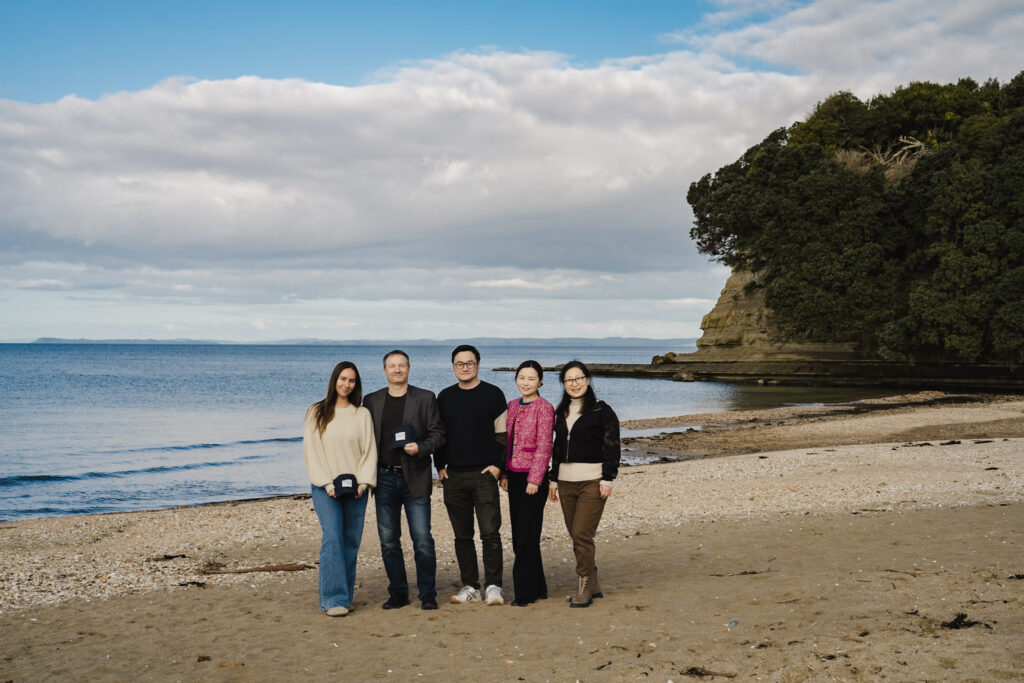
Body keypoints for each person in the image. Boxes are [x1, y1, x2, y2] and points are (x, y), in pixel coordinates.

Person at [363, 350, 446, 611]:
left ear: (409, 368)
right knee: (389, 540)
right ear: (384, 370)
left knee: (422, 539)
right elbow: (362, 437)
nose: (397, 369)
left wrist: (420, 448)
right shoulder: (371, 400)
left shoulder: (425, 398)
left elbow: (438, 435)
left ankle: (428, 593)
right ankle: (398, 592)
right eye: (392, 366)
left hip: (415, 476)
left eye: (401, 365)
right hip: (383, 477)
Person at [302, 361, 377, 617]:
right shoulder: (317, 411)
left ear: (357, 384)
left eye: (352, 380)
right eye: (343, 379)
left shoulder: (362, 414)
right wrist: (326, 483)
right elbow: (312, 450)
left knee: (351, 541)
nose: (346, 384)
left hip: (356, 489)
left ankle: (344, 597)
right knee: (332, 538)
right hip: (326, 488)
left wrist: (364, 483)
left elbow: (369, 451)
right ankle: (333, 599)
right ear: (334, 380)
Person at [435, 344, 508, 605]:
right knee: (462, 536)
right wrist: (439, 466)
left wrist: (498, 466)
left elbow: (502, 435)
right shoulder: (444, 397)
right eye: (459, 363)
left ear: (478, 364)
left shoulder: (493, 394)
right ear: (453, 367)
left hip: (483, 474)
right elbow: (438, 434)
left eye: (469, 363)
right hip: (453, 476)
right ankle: (471, 587)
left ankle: (494, 586)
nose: (464, 368)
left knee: (490, 533)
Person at [549, 360, 620, 608]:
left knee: (582, 533)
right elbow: (557, 448)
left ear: (587, 380)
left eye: (579, 378)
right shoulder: (560, 412)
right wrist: (553, 480)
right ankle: (594, 583)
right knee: (576, 535)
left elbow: (612, 446)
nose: (574, 383)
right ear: (563, 384)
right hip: (565, 483)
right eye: (569, 380)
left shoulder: (602, 411)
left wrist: (608, 478)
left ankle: (584, 585)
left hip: (592, 481)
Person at [499, 360, 554, 607]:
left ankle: (524, 592)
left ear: (540, 381)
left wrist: (535, 478)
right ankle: (539, 587)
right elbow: (506, 443)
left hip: (534, 479)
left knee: (525, 536)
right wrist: (504, 474)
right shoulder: (511, 405)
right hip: (513, 476)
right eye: (522, 377)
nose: (526, 383)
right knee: (523, 534)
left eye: (531, 378)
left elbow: (545, 446)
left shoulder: (545, 408)